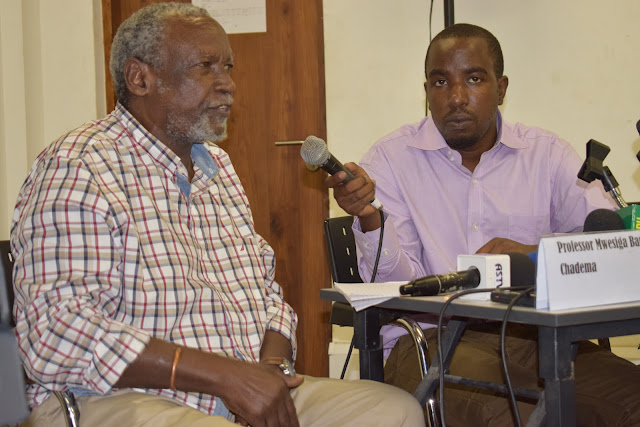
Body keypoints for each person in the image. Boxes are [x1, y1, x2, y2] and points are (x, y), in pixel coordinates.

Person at [10, 3, 425, 427]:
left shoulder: (217, 167)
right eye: (205, 66)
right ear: (140, 78)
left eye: (227, 67)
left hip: (237, 388)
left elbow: (267, 299)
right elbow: (57, 332)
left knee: (394, 411)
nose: (228, 84)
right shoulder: (79, 165)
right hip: (116, 398)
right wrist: (226, 377)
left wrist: (270, 369)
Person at [326, 23, 640, 426]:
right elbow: (397, 285)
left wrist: (532, 257)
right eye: (441, 82)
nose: (456, 97)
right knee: (516, 416)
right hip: (427, 340)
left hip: (536, 335)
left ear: (501, 88)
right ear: (426, 91)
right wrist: (370, 219)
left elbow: (608, 243)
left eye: (474, 79)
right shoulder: (390, 160)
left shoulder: (547, 155)